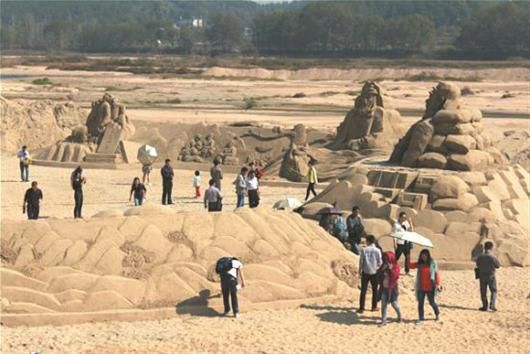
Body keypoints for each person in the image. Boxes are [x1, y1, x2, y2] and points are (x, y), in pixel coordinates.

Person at [408, 249, 441, 323]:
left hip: (430, 287)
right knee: (420, 303)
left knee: (432, 302)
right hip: (421, 287)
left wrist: (438, 284)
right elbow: (410, 266)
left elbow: (436, 274)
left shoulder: (432, 263)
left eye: (425, 255)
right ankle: (421, 318)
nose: (423, 257)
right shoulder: (419, 264)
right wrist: (408, 256)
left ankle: (437, 313)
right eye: (422, 255)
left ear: (428, 256)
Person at [358, 235, 382, 313]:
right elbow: (380, 262)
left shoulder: (364, 250)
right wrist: (376, 267)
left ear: (368, 241)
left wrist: (360, 270)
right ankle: (374, 306)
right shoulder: (377, 250)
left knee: (363, 290)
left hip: (365, 271)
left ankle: (361, 308)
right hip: (374, 272)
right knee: (375, 290)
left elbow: (361, 261)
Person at [476, 241, 500, 312]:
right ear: (491, 247)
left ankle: (484, 306)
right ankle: (492, 305)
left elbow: (477, 264)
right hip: (491, 275)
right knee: (493, 290)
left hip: (482, 275)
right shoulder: (493, 257)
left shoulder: (480, 256)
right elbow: (498, 265)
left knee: (483, 291)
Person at [380, 251, 402, 325]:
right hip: (384, 288)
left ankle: (399, 316)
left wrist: (390, 269)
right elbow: (378, 275)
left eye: (387, 259)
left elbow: (395, 276)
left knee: (394, 304)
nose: (386, 260)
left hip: (392, 288)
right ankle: (384, 320)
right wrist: (382, 269)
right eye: (384, 259)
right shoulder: (383, 265)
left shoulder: (396, 266)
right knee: (383, 304)